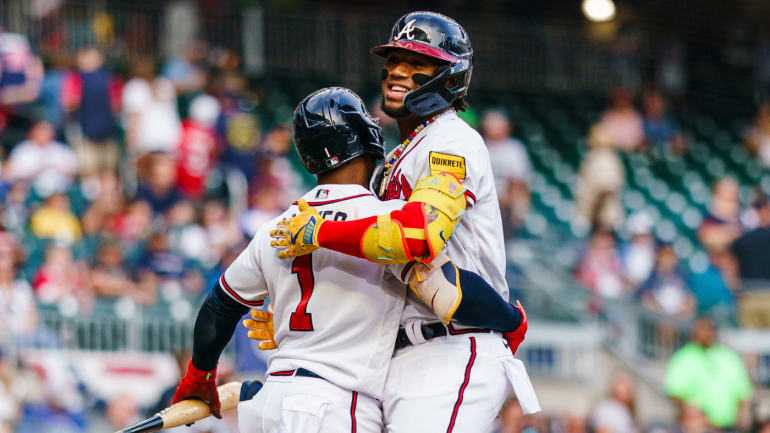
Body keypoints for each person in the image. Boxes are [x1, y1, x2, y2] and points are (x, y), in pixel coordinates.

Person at [172, 87, 529, 433]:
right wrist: (509, 319)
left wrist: (198, 377)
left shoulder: (276, 227)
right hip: (337, 406)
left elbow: (218, 308)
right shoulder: (384, 221)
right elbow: (450, 292)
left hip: (270, 400)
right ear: (368, 140)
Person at [271, 13, 539, 432]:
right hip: (392, 357)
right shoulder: (392, 161)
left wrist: (321, 232)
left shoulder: (453, 140)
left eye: (417, 63)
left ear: (450, 77)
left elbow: (418, 235)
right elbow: (376, 259)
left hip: (450, 346)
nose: (396, 69)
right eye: (394, 58)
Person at [664, 317, 753, 429]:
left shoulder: (728, 357)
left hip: (726, 426)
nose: (704, 333)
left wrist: (740, 420)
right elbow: (675, 392)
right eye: (701, 329)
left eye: (708, 329)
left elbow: (742, 392)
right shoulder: (682, 358)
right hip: (696, 427)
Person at [481, 109, 532, 237]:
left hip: (506, 206)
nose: (494, 130)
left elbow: (518, 182)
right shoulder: (480, 145)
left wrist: (517, 209)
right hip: (483, 204)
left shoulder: (515, 149)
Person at [7, 120, 78, 194]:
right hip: (31, 191)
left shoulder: (61, 150)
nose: (43, 133)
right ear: (33, 131)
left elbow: (73, 171)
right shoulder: (22, 150)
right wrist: (36, 171)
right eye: (40, 129)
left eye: (46, 130)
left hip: (59, 192)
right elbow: (11, 173)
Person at [731, 195, 770, 327]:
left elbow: (731, 267)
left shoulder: (743, 238)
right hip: (758, 294)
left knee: (750, 343)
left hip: (747, 295)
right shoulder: (743, 238)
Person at [598, 88, 644, 152]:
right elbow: (605, 139)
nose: (621, 102)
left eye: (623, 99)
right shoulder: (607, 116)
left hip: (632, 151)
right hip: (613, 151)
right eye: (619, 100)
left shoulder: (634, 116)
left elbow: (638, 138)